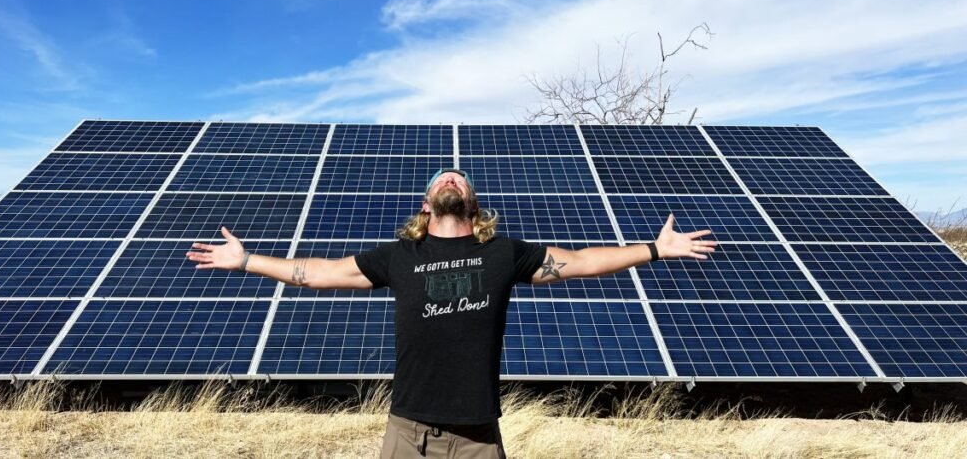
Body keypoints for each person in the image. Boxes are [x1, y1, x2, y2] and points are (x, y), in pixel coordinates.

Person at [186, 168, 716, 458]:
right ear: (425, 204)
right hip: (406, 428)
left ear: (472, 202)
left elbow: (578, 262)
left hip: (475, 434)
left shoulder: (502, 253)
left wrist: (653, 248)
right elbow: (321, 272)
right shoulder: (399, 257)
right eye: (442, 178)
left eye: (460, 179)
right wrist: (249, 260)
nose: (451, 179)